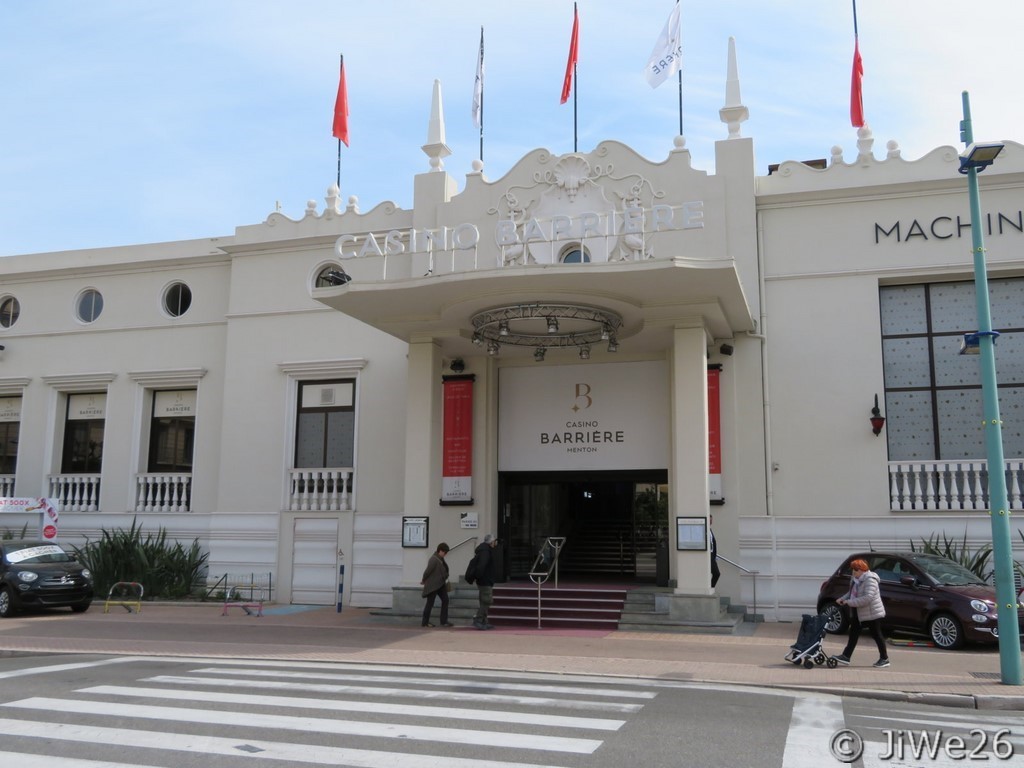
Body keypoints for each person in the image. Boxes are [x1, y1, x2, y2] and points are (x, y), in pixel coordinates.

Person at [832, 558, 890, 668]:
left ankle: (884, 658)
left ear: (863, 570)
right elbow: (851, 593)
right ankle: (846, 656)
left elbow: (867, 598)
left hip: (872, 613)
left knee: (876, 635)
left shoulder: (870, 580)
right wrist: (842, 599)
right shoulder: (855, 579)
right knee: (853, 634)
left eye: (856, 570)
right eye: (852, 569)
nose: (853, 572)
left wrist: (849, 602)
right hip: (858, 612)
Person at [419, 542, 452, 628]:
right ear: (440, 551)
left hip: (440, 584)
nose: (445, 554)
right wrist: (423, 579)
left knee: (445, 600)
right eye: (445, 552)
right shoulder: (433, 559)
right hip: (433, 585)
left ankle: (444, 621)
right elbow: (427, 571)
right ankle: (425, 623)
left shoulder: (440, 558)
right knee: (430, 603)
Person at [472, 534, 499, 630]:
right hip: (485, 581)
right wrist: (480, 577)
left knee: (484, 601)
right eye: (494, 541)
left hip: (485, 580)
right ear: (491, 542)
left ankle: (484, 621)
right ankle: (478, 619)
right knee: (487, 601)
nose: (495, 543)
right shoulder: (486, 552)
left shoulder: (484, 550)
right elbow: (481, 566)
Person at [709, 515, 720, 589]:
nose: (711, 521)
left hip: (712, 556)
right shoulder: (705, 529)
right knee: (716, 573)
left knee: (717, 573)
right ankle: (710, 587)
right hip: (708, 556)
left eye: (711, 520)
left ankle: (710, 587)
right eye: (710, 520)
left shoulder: (710, 530)